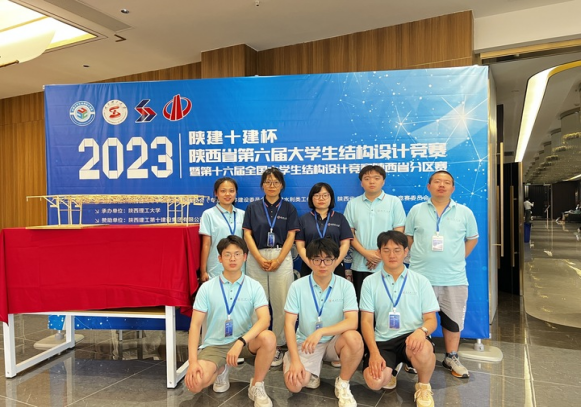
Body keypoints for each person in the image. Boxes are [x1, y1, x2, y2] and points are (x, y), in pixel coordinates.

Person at [185, 235, 276, 407]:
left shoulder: (254, 286)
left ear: (245, 257)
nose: (232, 258)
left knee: (269, 337)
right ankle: (221, 369)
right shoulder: (207, 288)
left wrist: (241, 341)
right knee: (195, 384)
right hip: (215, 345)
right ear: (220, 258)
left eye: (237, 254)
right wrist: (193, 362)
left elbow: (265, 320)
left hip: (245, 343)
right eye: (227, 254)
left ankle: (257, 385)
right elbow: (195, 325)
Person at [405, 170, 478, 379]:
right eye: (437, 181)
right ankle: (414, 356)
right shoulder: (416, 210)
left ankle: (451, 356)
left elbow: (472, 238)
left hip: (454, 277)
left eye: (446, 182)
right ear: (429, 186)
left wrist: (457, 258)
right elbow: (408, 238)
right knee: (416, 320)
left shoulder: (465, 212)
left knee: (452, 320)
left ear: (453, 188)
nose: (442, 185)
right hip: (420, 277)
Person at [360, 231, 439, 407]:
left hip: (411, 338)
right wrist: (374, 353)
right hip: (383, 340)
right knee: (375, 382)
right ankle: (392, 369)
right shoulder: (370, 282)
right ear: (379, 253)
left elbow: (431, 320)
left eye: (397, 250)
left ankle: (424, 386)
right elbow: (366, 321)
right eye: (386, 250)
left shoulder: (420, 281)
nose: (392, 255)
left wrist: (421, 332)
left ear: (406, 252)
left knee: (424, 350)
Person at [283, 238, 363, 407]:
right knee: (294, 385)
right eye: (317, 259)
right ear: (309, 260)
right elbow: (289, 324)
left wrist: (321, 331)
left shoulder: (346, 286)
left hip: (334, 342)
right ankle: (302, 364)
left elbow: (352, 322)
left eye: (328, 259)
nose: (322, 264)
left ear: (335, 260)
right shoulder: (297, 286)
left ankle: (343, 383)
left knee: (354, 338)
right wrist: (295, 360)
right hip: (307, 342)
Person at [243, 167, 300, 367]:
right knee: (256, 303)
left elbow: (291, 236)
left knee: (281, 302)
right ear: (262, 185)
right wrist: (258, 258)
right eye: (268, 182)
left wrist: (278, 260)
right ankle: (257, 342)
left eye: (276, 182)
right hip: (256, 256)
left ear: (282, 185)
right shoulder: (253, 207)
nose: (272, 185)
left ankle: (278, 344)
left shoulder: (289, 208)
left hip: (281, 256)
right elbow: (247, 234)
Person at [344, 165, 406, 301]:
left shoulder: (394, 202)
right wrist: (366, 253)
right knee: (363, 303)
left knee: (389, 302)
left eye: (376, 178)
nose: (371, 181)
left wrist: (379, 254)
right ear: (361, 183)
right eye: (367, 178)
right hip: (361, 264)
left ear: (383, 181)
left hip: (388, 262)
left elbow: (398, 232)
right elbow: (349, 234)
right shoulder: (352, 204)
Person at [296, 183, 353, 278]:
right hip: (309, 266)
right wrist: (312, 265)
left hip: (335, 266)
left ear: (331, 198)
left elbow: (345, 244)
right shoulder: (303, 219)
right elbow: (300, 246)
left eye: (325, 195)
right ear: (311, 198)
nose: (321, 198)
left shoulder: (340, 218)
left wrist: (333, 264)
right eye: (317, 195)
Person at [199, 177, 245, 281]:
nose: (227, 194)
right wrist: (203, 271)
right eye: (223, 191)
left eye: (231, 191)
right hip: (216, 266)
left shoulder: (242, 214)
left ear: (236, 193)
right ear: (216, 193)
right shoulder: (208, 214)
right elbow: (206, 244)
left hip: (239, 265)